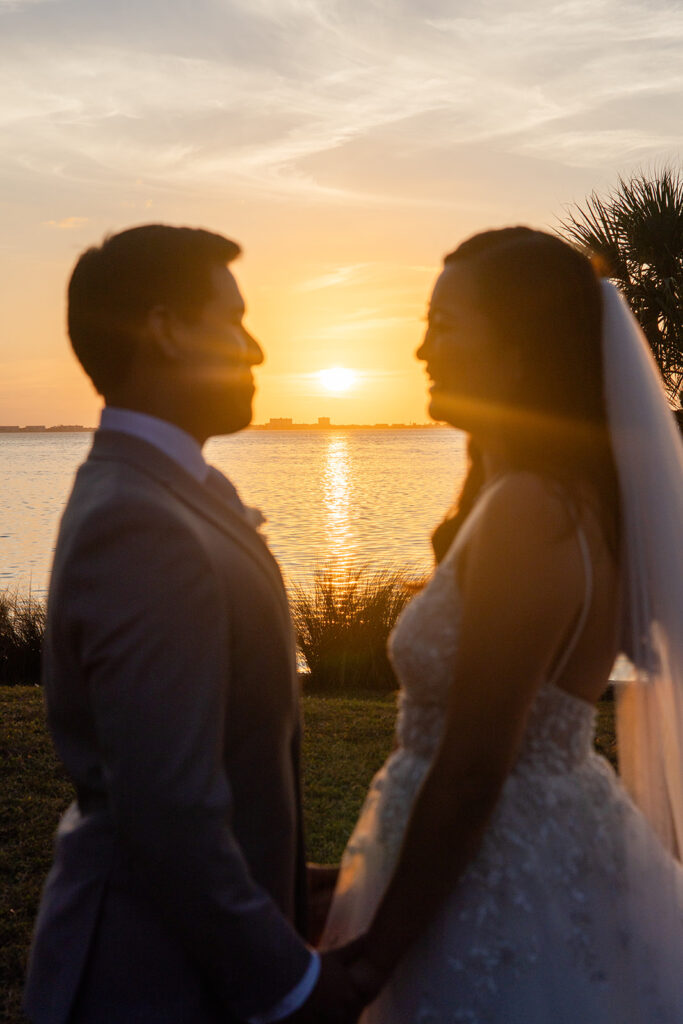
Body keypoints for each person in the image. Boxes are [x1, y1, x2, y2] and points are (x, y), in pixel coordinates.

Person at [322, 227, 683, 1021]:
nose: (420, 350)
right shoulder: (556, 496)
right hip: (539, 842)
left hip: (498, 869)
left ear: (516, 350)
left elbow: (475, 764)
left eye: (443, 326)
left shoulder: (531, 509)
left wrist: (369, 961)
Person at [23, 224, 365, 1024]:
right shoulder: (139, 524)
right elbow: (167, 812)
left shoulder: (173, 492)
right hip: (148, 983)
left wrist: (294, 883)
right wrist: (294, 985)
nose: (255, 350)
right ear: (167, 328)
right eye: (233, 321)